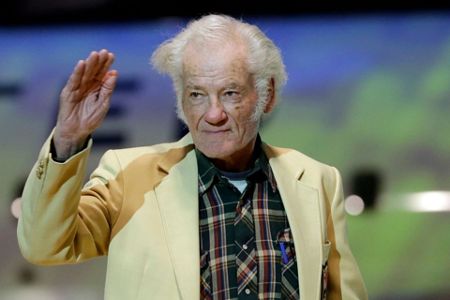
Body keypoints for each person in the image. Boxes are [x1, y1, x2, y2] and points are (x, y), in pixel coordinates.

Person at [17, 14, 368, 300]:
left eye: (230, 93)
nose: (213, 114)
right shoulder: (129, 176)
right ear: (181, 101)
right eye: (197, 94)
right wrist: (67, 139)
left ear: (268, 95)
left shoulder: (316, 181)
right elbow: (43, 246)